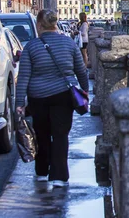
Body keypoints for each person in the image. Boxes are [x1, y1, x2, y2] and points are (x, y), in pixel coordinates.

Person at [15, 10, 89, 187]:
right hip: (63, 96)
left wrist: (19, 104)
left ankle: (42, 171)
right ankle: (59, 177)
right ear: (55, 24)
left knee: (41, 134)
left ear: (39, 25)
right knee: (61, 135)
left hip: (38, 97)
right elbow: (81, 70)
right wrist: (84, 91)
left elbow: (24, 77)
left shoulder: (31, 47)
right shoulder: (69, 44)